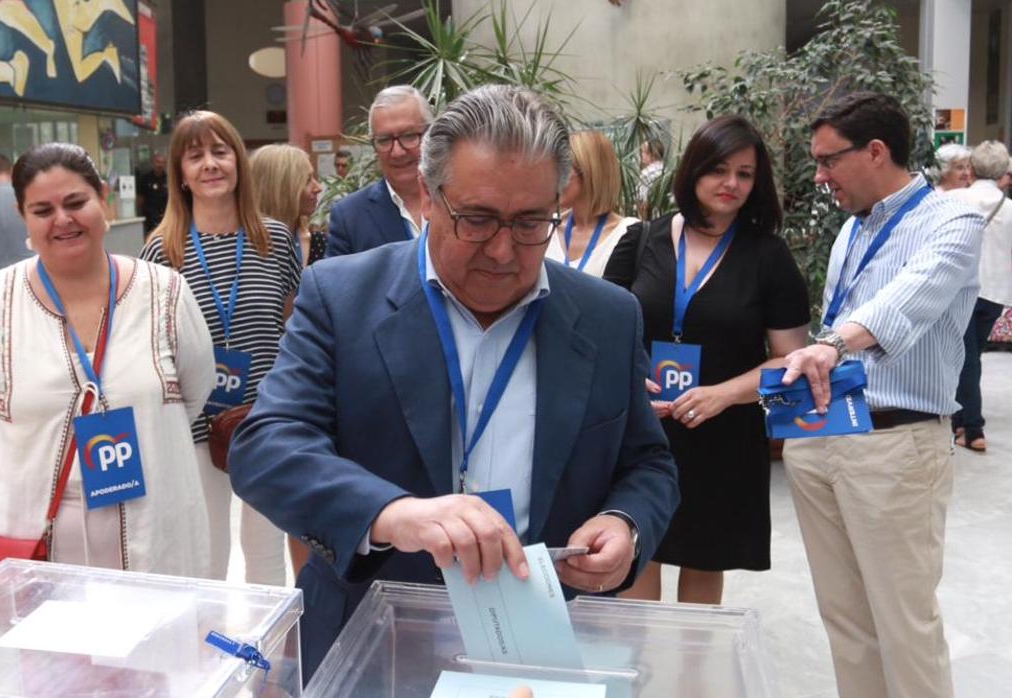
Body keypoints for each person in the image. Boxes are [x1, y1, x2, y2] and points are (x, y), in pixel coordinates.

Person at [228, 85, 680, 680]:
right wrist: (390, 513)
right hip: (374, 641)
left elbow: (649, 464)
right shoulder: (341, 297)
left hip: (541, 643)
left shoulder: (607, 317)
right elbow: (267, 447)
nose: (502, 249)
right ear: (429, 196)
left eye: (530, 223)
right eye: (478, 219)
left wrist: (626, 523)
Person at [0, 143, 216, 577]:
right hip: (26, 542)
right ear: (24, 217)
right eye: (43, 210)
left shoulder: (166, 293)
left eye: (76, 202)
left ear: (103, 199)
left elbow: (194, 392)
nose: (63, 220)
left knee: (151, 638)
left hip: (152, 534)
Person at [781, 92, 983, 698]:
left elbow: (907, 300)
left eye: (827, 161)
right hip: (823, 435)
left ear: (875, 151)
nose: (819, 176)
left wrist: (832, 346)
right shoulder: (850, 230)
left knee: (905, 623)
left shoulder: (953, 220)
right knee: (846, 621)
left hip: (897, 446)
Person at [604, 115, 811, 605]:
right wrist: (633, 381)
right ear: (694, 170)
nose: (731, 184)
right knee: (637, 552)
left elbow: (791, 360)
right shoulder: (642, 240)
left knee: (705, 559)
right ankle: (644, 678)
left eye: (745, 173)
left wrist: (723, 394)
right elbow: (603, 331)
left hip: (723, 433)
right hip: (644, 428)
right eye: (719, 169)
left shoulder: (768, 256)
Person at [140, 112, 302, 586]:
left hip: (265, 420)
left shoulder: (275, 239)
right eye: (196, 156)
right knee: (208, 557)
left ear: (238, 162)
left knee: (266, 553)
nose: (210, 164)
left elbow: (292, 324)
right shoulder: (161, 251)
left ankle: (270, 658)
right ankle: (213, 659)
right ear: (181, 174)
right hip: (194, 425)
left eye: (220, 152)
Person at [945, 140, 1012, 452]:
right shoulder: (1010, 208)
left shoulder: (956, 199)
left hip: (961, 288)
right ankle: (962, 424)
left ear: (971, 167)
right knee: (970, 357)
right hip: (996, 293)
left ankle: (972, 429)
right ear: (1003, 172)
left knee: (965, 358)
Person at [325, 85, 433, 257]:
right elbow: (336, 283)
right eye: (384, 140)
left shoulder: (460, 199)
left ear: (430, 134)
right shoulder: (350, 217)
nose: (397, 152)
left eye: (408, 136)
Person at [547, 130, 639, 278]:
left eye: (564, 170)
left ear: (590, 172)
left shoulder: (628, 233)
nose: (555, 179)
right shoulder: (548, 227)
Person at [250, 143, 326, 266]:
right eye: (307, 181)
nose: (318, 188)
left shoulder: (319, 243)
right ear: (279, 190)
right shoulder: (243, 248)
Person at [137, 152, 169, 235]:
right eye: (158, 162)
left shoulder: (168, 179)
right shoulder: (145, 179)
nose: (160, 165)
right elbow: (140, 201)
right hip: (150, 219)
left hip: (166, 218)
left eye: (163, 162)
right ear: (153, 163)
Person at [638, 137, 665, 202]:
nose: (641, 155)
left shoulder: (646, 173)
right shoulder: (666, 170)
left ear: (652, 154)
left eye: (644, 152)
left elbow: (641, 197)